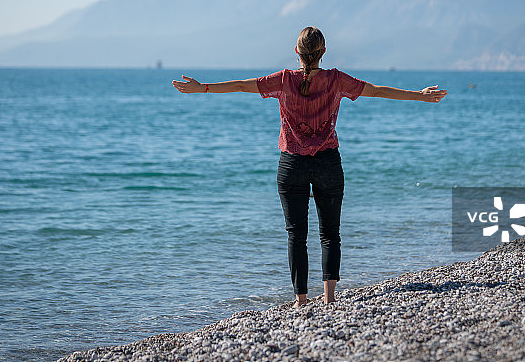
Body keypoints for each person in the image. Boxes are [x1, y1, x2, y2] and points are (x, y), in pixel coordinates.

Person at [172, 26, 446, 307]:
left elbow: (242, 85)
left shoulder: (283, 80)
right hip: (328, 162)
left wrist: (201, 88)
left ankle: (300, 300)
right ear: (323, 52)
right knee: (330, 232)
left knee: (296, 234)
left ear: (296, 52)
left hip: (292, 165)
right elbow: (375, 91)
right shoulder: (336, 80)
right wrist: (419, 95)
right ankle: (329, 298)